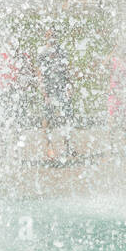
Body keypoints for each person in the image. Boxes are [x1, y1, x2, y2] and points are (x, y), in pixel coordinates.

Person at [35, 27, 74, 164]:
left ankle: (67, 145)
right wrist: (44, 92)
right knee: (47, 118)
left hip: (62, 88)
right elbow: (39, 73)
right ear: (46, 37)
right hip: (49, 89)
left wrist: (69, 86)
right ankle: (49, 146)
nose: (53, 38)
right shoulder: (42, 52)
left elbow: (67, 70)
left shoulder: (62, 51)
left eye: (55, 35)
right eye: (50, 35)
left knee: (67, 116)